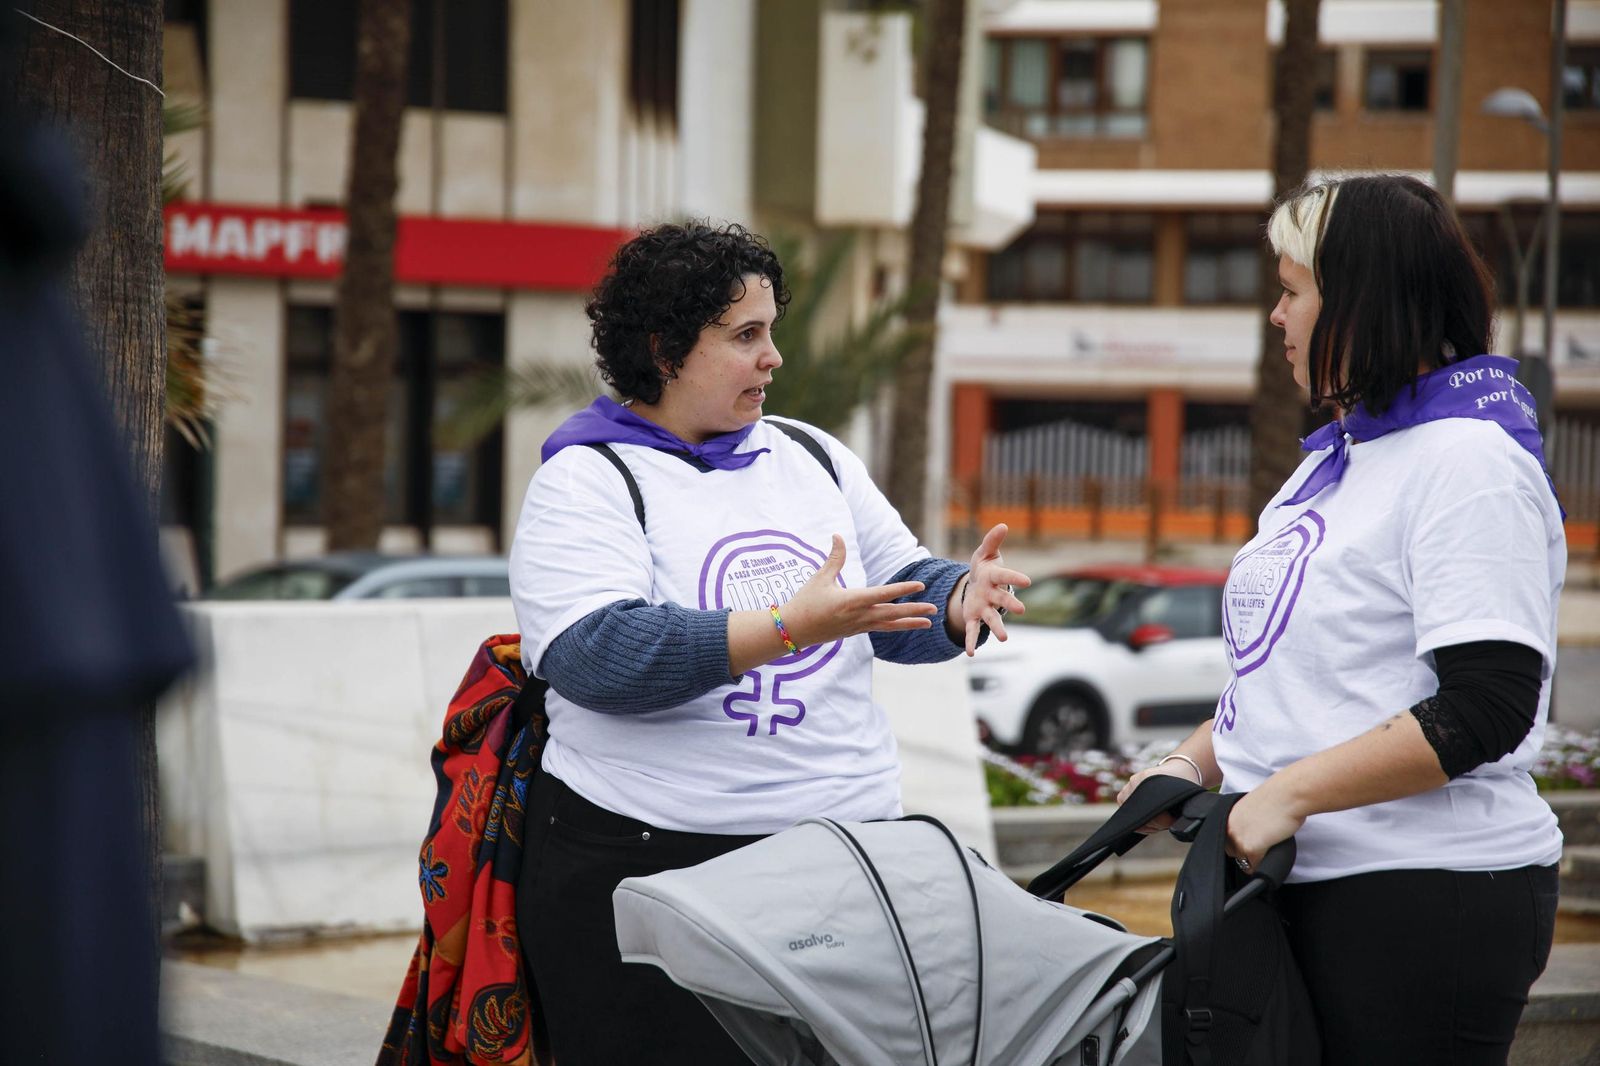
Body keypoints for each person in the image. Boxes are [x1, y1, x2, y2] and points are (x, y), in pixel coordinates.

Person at [509, 221, 1029, 1065]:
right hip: (650, 869)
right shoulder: (588, 479)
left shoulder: (813, 455)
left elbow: (893, 593)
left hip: (845, 860)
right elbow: (594, 653)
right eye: (745, 336)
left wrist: (958, 599)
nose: (773, 358)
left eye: (771, 332)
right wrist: (786, 629)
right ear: (663, 349)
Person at [1119, 174, 1564, 1065]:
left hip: (1422, 895)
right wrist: (1185, 765)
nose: (1276, 318)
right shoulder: (1339, 461)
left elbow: (1488, 703)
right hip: (1296, 879)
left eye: (1291, 292)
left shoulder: (1467, 462)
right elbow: (1297, 682)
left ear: (1361, 300)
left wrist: (1280, 795)